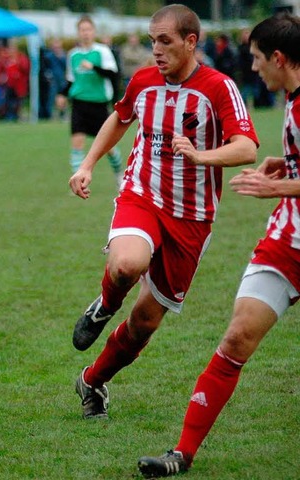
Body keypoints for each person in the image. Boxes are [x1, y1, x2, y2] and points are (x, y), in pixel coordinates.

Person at [68, 4, 259, 423]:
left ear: (192, 42)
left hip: (192, 217)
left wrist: (200, 155)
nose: (155, 49)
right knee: (126, 265)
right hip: (142, 196)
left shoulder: (218, 87)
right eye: (152, 40)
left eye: (165, 41)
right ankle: (104, 304)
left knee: (144, 324)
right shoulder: (143, 82)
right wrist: (86, 165)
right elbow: (119, 119)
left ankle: (93, 380)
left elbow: (246, 147)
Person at [138, 13, 300, 477]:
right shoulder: (291, 94)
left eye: (255, 59)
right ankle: (182, 454)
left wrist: (281, 187)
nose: (252, 68)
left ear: (279, 58)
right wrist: (284, 165)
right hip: (287, 244)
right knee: (236, 337)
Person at [56, 15, 124, 186]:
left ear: (93, 32)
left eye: (88, 29)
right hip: (79, 103)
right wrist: (62, 94)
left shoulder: (102, 51)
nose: (85, 33)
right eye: (82, 30)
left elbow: (113, 75)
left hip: (99, 104)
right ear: (78, 33)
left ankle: (119, 174)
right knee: (77, 143)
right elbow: (71, 80)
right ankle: (77, 183)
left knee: (107, 148)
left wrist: (93, 67)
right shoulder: (73, 55)